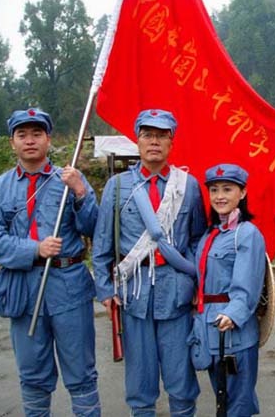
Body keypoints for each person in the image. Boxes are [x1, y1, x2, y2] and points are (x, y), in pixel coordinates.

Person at [0, 108, 101, 416]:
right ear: (12, 142)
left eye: (37, 134)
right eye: (22, 135)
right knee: (33, 376)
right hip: (22, 288)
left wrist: (81, 193)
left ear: (48, 139)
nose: (30, 141)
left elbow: (94, 229)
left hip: (69, 286)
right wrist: (35, 249)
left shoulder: (71, 177)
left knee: (82, 375)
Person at [92, 109, 207, 417]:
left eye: (161, 135)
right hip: (134, 295)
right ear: (137, 140)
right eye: (147, 135)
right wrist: (105, 289)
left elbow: (197, 239)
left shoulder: (189, 186)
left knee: (181, 383)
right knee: (140, 388)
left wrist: (196, 282)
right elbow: (103, 243)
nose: (154, 142)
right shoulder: (117, 188)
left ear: (171, 142)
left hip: (177, 293)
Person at [189, 163, 265, 416]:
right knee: (222, 401)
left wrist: (233, 314)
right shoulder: (211, 233)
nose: (219, 196)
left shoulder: (246, 234)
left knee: (238, 403)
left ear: (242, 193)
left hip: (232, 331)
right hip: (208, 328)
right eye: (214, 190)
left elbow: (247, 286)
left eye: (227, 189)